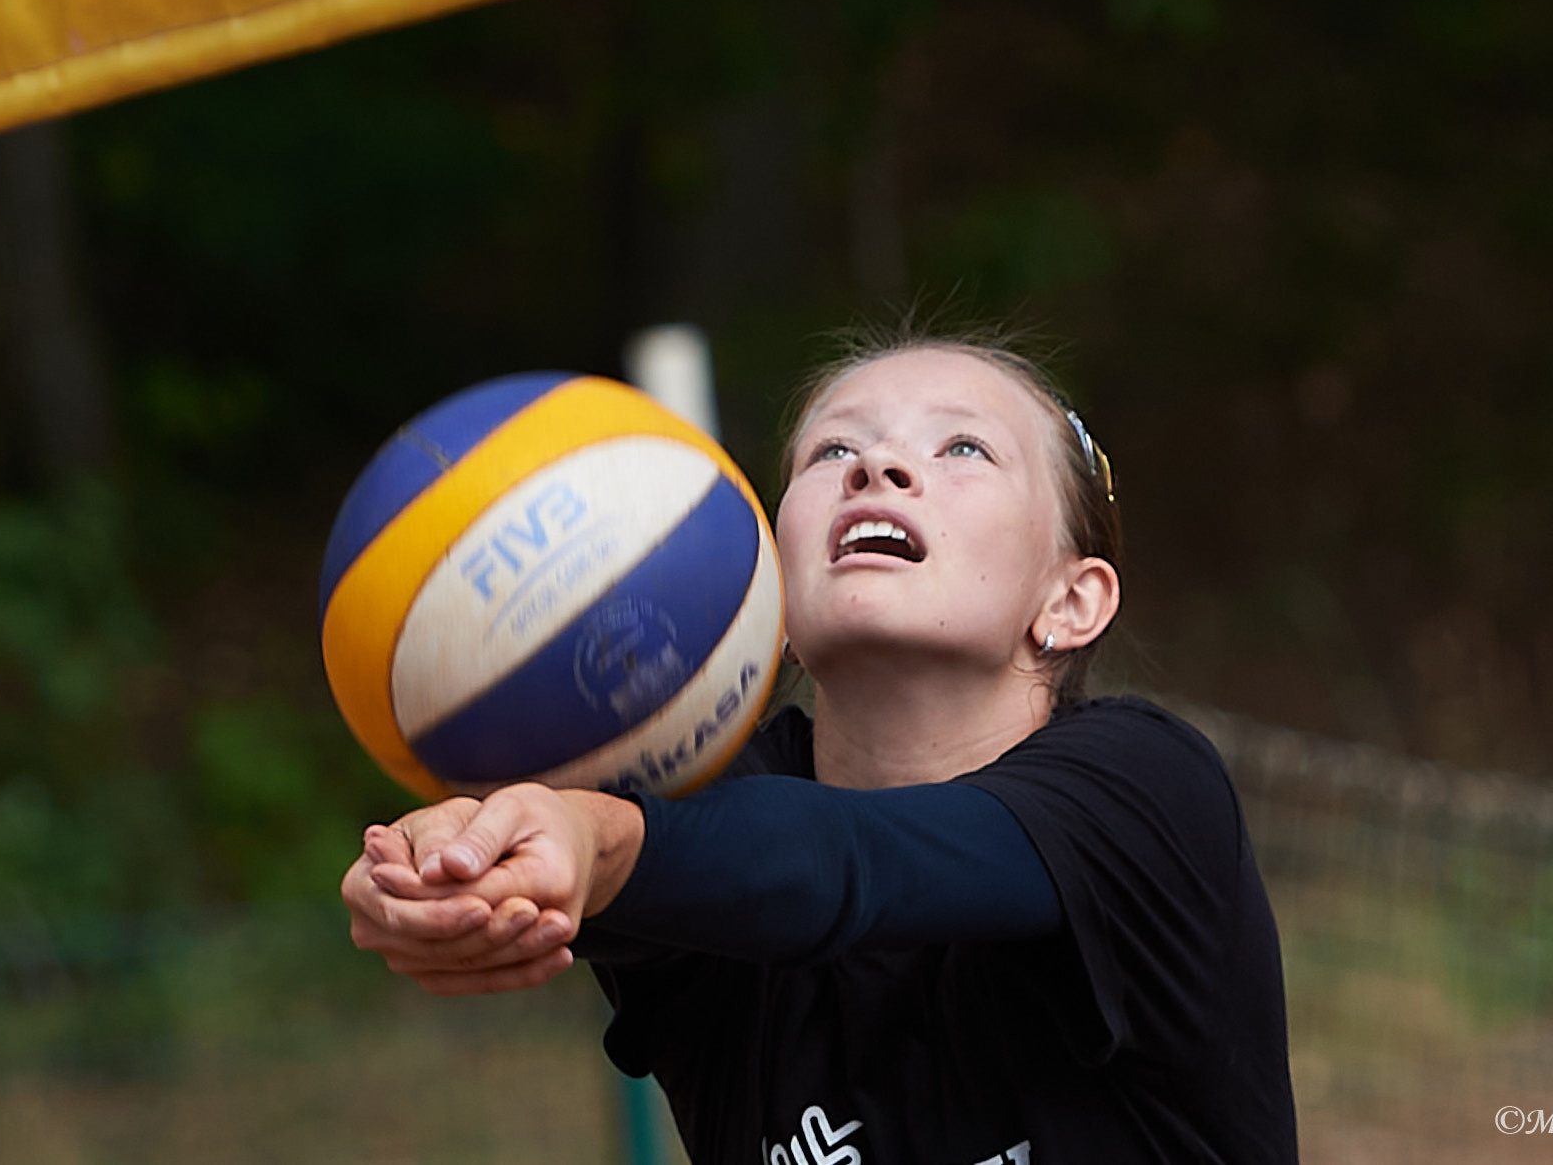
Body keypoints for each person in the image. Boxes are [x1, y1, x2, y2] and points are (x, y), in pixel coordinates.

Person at [340, 332, 1298, 1164]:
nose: (875, 468)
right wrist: (451, 866)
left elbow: (843, 864)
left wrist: (598, 842)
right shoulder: (689, 823)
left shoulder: (1146, 791)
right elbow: (640, 850)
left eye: (963, 445)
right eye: (832, 448)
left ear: (1070, 600)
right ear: (770, 589)